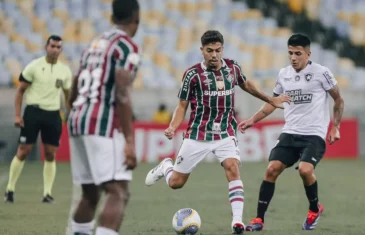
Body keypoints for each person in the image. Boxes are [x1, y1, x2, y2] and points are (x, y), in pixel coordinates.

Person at [144, 30, 290, 234]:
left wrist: (270, 99)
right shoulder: (192, 75)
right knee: (176, 183)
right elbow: (182, 106)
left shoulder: (232, 68)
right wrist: (172, 127)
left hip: (225, 132)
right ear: (202, 50)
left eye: (218, 50)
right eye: (210, 50)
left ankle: (237, 222)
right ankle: (166, 167)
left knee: (232, 167)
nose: (214, 55)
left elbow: (246, 84)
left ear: (222, 49)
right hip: (198, 134)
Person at [240, 34, 344, 231]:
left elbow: (338, 99)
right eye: (290, 53)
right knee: (271, 170)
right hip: (290, 132)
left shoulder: (321, 73)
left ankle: (314, 208)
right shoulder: (284, 74)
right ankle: (259, 220)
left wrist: (336, 126)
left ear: (308, 53)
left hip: (314, 134)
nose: (293, 57)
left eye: (298, 53)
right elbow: (274, 103)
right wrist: (252, 120)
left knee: (305, 170)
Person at [67, 0, 140, 234]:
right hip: (101, 122)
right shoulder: (125, 46)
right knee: (117, 190)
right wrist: (129, 140)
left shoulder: (95, 43)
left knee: (90, 192)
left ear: (112, 18)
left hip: (78, 118)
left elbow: (76, 81)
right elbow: (122, 92)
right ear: (136, 18)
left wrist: (73, 111)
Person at [4, 35, 72, 203]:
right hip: (33, 112)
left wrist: (69, 114)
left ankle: (47, 194)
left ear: (61, 50)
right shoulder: (34, 67)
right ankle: (10, 189)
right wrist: (18, 115)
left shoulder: (64, 71)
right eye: (53, 46)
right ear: (46, 47)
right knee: (23, 150)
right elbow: (20, 91)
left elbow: (67, 95)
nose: (55, 50)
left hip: (53, 114)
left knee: (50, 153)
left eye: (58, 47)